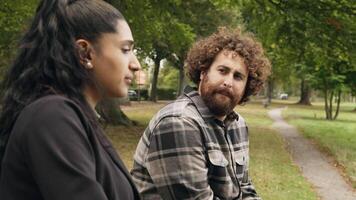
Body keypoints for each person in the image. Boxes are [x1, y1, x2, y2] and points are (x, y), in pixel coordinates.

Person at [0, 0, 141, 199]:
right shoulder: (51, 117)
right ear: (85, 53)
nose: (136, 65)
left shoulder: (73, 116)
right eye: (125, 50)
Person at [131, 27, 271, 200]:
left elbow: (245, 189)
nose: (228, 82)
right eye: (222, 71)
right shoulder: (178, 123)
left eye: (238, 77)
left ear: (246, 87)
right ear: (203, 73)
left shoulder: (238, 124)